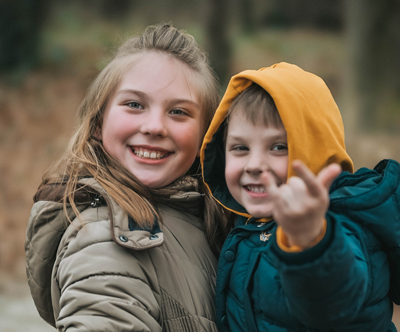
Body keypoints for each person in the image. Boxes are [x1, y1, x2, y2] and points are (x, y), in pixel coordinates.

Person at [25, 23, 231, 332]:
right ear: (98, 122)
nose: (155, 127)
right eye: (134, 104)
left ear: (205, 137)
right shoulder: (104, 240)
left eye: (178, 112)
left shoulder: (204, 217)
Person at [201, 62, 400, 331]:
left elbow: (332, 302)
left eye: (279, 147)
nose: (254, 164)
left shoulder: (338, 223)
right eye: (240, 148)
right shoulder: (251, 225)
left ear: (315, 151)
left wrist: (310, 240)